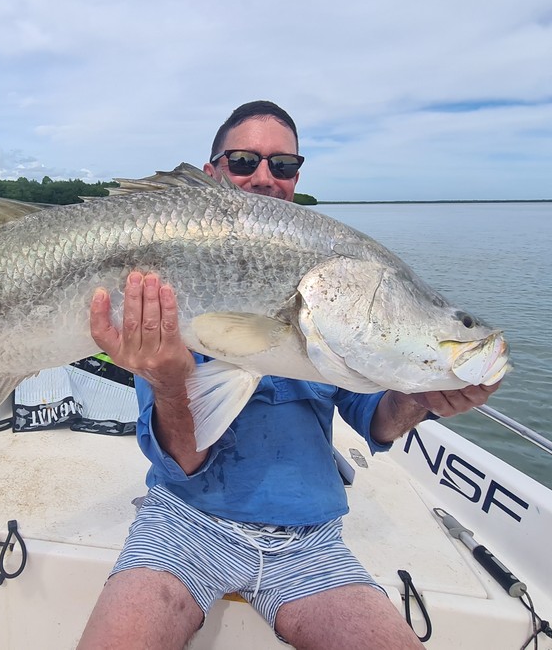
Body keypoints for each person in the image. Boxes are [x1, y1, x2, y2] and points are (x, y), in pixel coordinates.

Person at [78, 101, 499, 649]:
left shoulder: (335, 290)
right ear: (212, 173)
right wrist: (170, 381)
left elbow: (379, 422)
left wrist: (424, 397)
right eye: (243, 159)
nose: (263, 177)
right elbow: (183, 459)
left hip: (310, 541)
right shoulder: (165, 269)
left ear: (297, 178)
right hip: (185, 521)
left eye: (282, 165)